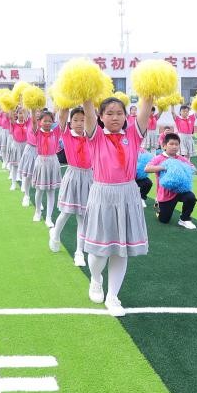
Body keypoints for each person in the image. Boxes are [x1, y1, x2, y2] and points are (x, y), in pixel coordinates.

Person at [78, 91, 156, 317]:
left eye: (119, 113)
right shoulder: (96, 136)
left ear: (126, 116)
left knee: (121, 250)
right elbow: (88, 111)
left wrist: (150, 90)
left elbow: (145, 108)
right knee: (99, 251)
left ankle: (113, 296)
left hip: (127, 193)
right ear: (100, 116)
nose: (115, 117)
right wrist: (85, 92)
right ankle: (95, 279)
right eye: (109, 113)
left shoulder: (133, 134)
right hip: (102, 193)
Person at [51, 106, 92, 261]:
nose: (80, 123)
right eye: (76, 120)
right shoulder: (67, 135)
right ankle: (55, 235)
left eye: (83, 120)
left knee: (83, 216)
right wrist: (66, 102)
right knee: (66, 213)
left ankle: (79, 252)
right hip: (73, 176)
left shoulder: (92, 136)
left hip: (89, 177)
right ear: (71, 123)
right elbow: (62, 117)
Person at [145, 133, 197, 229]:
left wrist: (183, 168)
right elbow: (147, 169)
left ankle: (184, 219)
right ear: (164, 146)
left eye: (176, 144)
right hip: (165, 193)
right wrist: (164, 167)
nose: (174, 146)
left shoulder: (181, 158)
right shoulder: (159, 158)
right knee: (164, 220)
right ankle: (158, 206)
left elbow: (193, 168)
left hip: (180, 190)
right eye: (171, 144)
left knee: (191, 197)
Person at [29, 110, 62, 226]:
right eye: (45, 121)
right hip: (41, 162)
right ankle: (37, 212)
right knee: (39, 190)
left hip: (53, 162)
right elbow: (33, 122)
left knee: (51, 191)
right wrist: (33, 109)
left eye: (50, 121)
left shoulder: (56, 132)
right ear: (40, 122)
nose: (47, 123)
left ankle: (49, 217)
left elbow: (62, 120)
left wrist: (63, 107)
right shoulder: (37, 132)